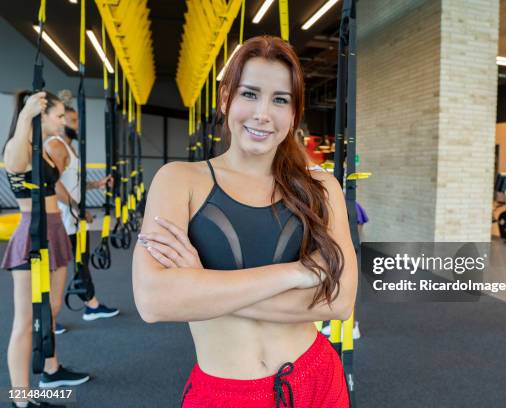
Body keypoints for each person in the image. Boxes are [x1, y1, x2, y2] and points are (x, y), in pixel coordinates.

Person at [133, 36, 357, 407]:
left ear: (294, 112)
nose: (263, 114)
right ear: (226, 99)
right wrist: (296, 274)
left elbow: (340, 301)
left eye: (280, 99)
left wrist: (201, 287)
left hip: (317, 378)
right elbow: (154, 301)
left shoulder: (320, 187)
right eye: (250, 94)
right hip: (226, 394)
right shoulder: (179, 180)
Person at [2, 91, 90, 408]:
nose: (63, 121)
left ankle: (50, 371)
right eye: (57, 116)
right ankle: (21, 400)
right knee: (25, 321)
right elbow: (13, 162)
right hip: (34, 233)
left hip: (56, 230)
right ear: (40, 115)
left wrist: (79, 205)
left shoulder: (44, 151)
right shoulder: (18, 148)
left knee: (51, 309)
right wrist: (26, 114)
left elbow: (58, 186)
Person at [45, 95, 120, 324]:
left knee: (81, 260)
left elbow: (72, 181)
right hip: (61, 218)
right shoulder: (56, 145)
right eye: (71, 120)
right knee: (60, 268)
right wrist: (79, 209)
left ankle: (90, 304)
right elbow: (53, 184)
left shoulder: (69, 147)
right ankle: (48, 320)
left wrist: (97, 184)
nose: (77, 125)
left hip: (73, 218)